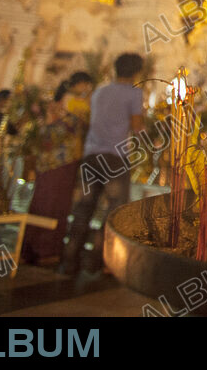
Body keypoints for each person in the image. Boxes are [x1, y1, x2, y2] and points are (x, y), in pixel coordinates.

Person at [60, 55, 144, 275]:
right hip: (115, 157)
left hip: (91, 155)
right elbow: (137, 126)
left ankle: (69, 260)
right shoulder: (134, 93)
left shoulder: (99, 91)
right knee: (113, 210)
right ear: (137, 72)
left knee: (83, 207)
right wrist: (151, 140)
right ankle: (98, 260)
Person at [20, 72, 94, 264]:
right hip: (63, 159)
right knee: (55, 204)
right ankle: (46, 250)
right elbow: (79, 124)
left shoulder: (55, 103)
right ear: (81, 84)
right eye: (87, 85)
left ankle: (29, 247)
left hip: (48, 160)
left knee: (42, 200)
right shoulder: (75, 104)